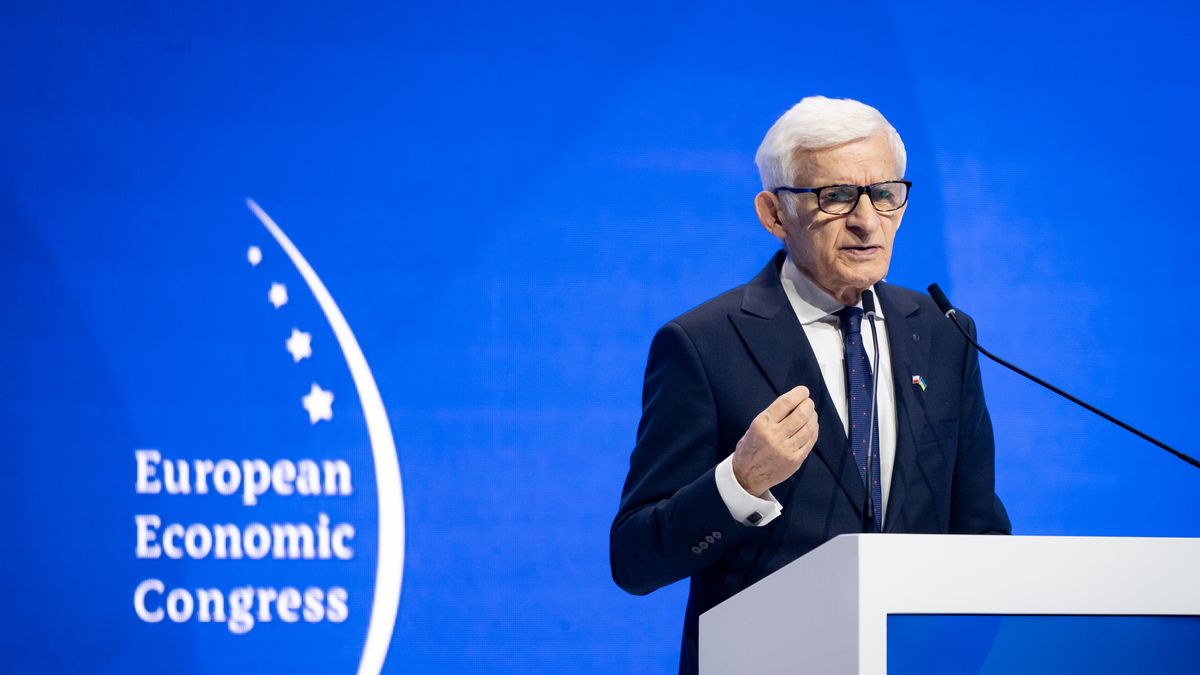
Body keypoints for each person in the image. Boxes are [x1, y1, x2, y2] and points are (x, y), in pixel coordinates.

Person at [609, 96, 1011, 675]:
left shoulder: (945, 335)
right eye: (837, 196)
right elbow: (634, 559)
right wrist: (740, 482)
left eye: (886, 194)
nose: (867, 221)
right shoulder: (704, 344)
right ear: (774, 214)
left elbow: (979, 533)